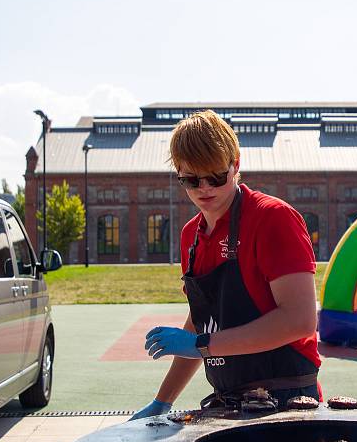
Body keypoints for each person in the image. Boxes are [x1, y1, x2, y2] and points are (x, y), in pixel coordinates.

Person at [131, 110, 321, 420]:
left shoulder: (272, 218)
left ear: (236, 165)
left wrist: (202, 345)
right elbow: (202, 322)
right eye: (191, 179)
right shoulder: (191, 235)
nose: (204, 188)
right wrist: (162, 402)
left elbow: (300, 320)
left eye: (216, 177)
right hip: (227, 401)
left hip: (287, 401)